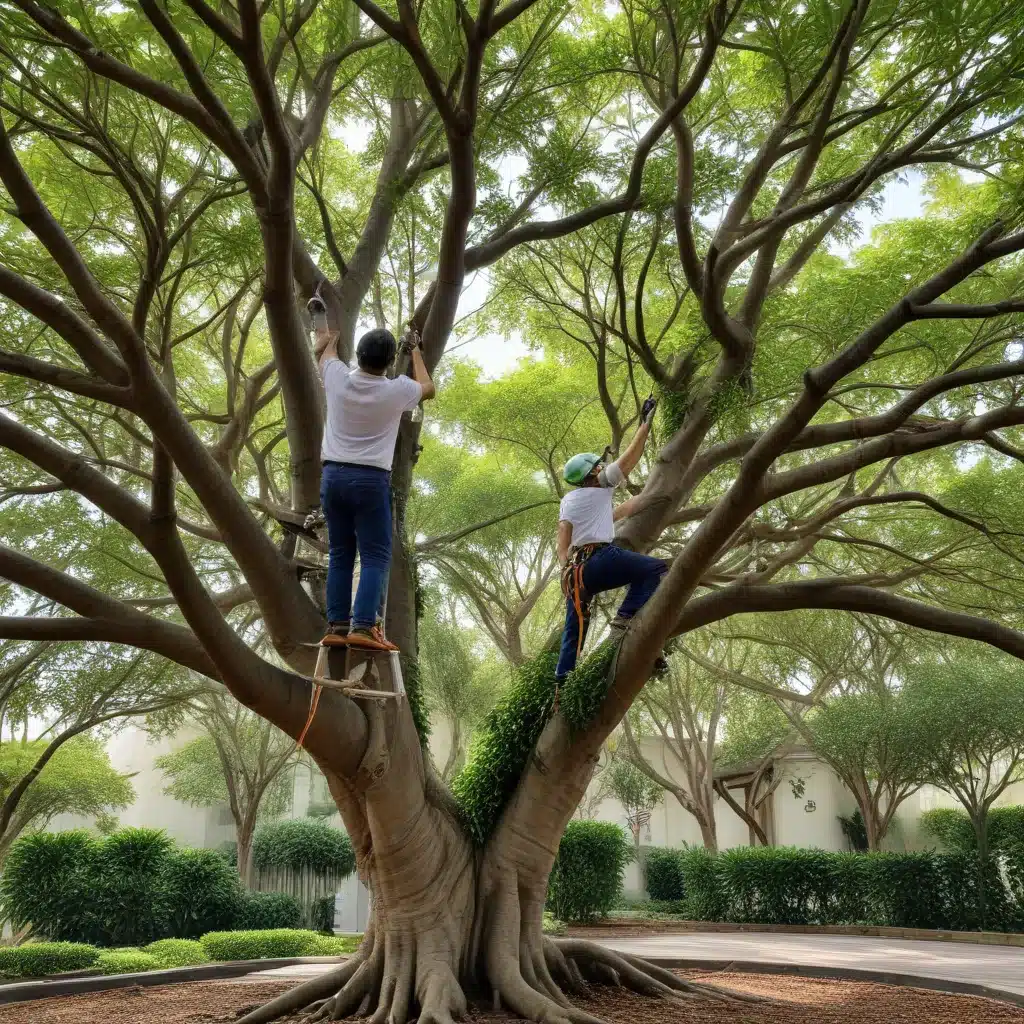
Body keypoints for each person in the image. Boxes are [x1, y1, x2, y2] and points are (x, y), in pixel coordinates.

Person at [315, 323, 435, 651]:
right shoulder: (396, 390)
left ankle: (337, 625)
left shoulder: (337, 377)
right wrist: (415, 352)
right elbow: (428, 387)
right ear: (387, 362)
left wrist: (331, 336)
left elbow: (323, 352)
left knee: (340, 553)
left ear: (358, 356)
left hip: (333, 477)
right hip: (369, 481)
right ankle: (364, 627)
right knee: (375, 555)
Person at [555, 397, 665, 682]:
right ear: (593, 473)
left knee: (573, 630)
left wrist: (567, 569)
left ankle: (562, 681)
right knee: (654, 569)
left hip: (575, 574)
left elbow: (568, 537)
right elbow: (630, 457)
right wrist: (645, 422)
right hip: (600, 559)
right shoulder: (602, 485)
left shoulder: (570, 500)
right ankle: (625, 617)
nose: (603, 467)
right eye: (598, 465)